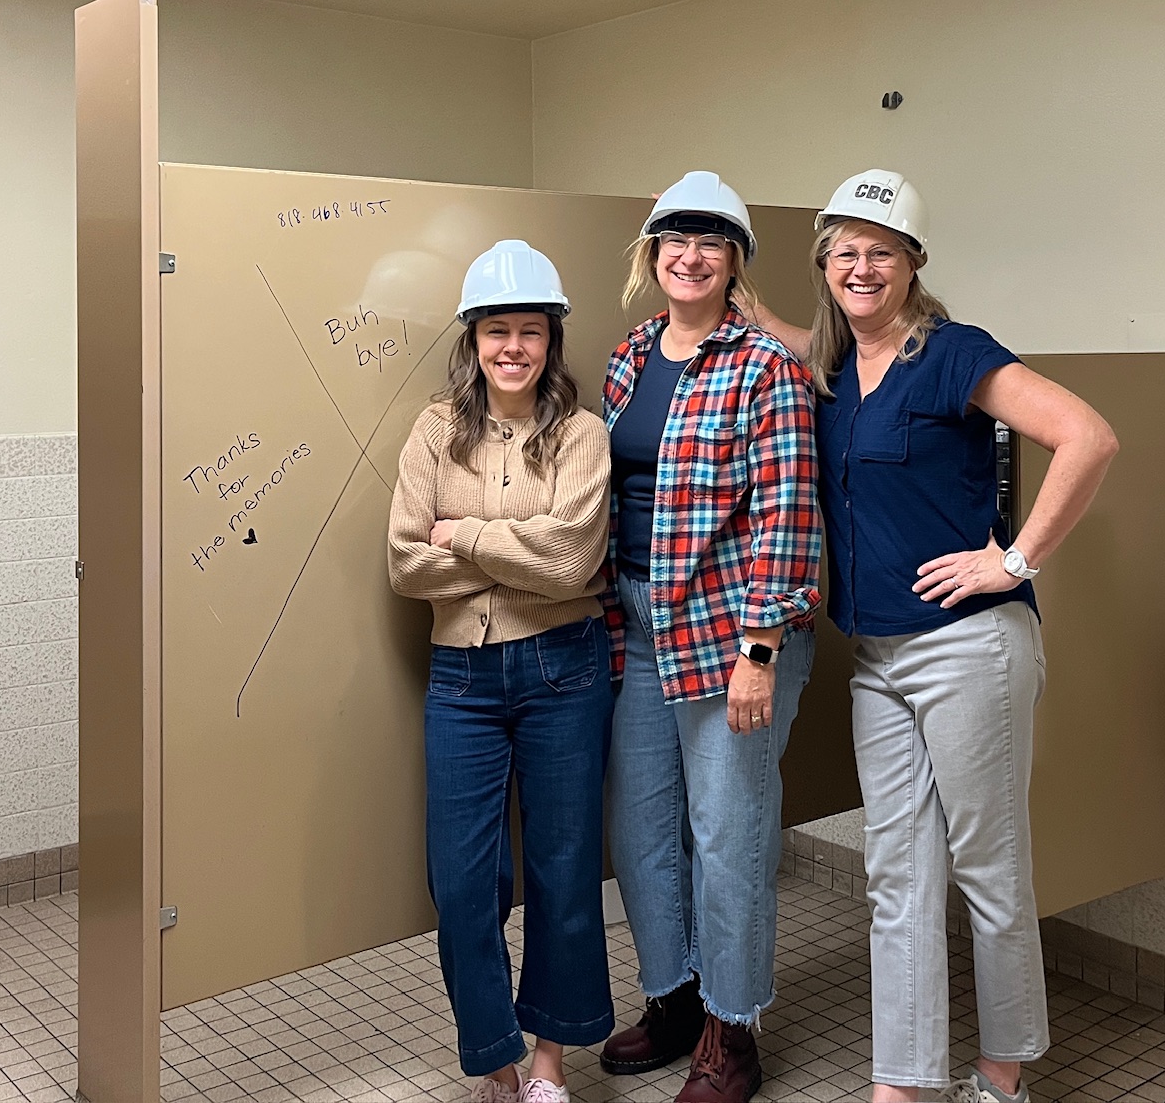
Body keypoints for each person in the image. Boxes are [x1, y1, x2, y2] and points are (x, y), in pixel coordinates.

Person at [757, 169, 1118, 1103]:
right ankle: (905, 1084)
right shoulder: (834, 370)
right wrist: (732, 295)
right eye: (845, 253)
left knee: (988, 868)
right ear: (824, 265)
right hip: (877, 658)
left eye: (881, 252)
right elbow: (793, 335)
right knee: (898, 876)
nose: (861, 268)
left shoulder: (954, 354)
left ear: (913, 263)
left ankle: (1002, 1074)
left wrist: (1014, 560)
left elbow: (1087, 437)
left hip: (969, 649)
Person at [598, 171, 823, 1103]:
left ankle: (733, 1030)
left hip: (735, 629)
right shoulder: (627, 357)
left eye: (711, 242)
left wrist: (759, 652)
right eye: (674, 240)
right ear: (652, 254)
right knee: (641, 827)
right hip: (639, 622)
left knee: (729, 835)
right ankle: (677, 998)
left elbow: (788, 514)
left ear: (736, 262)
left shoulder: (766, 366)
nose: (689, 257)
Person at [387, 240, 617, 1103]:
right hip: (463, 681)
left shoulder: (583, 434)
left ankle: (550, 1065)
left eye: (530, 330)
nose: (513, 347)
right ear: (473, 338)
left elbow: (573, 564)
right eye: (496, 330)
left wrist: (465, 536)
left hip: (565, 671)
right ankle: (496, 1059)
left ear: (552, 340)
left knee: (564, 871)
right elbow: (405, 563)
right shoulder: (434, 430)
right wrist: (521, 553)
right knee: (463, 880)